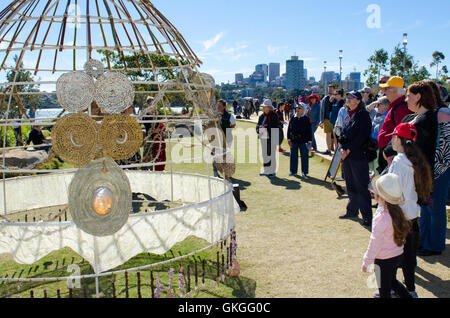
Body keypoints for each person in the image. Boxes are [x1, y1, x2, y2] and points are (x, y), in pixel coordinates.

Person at [387, 123, 433, 297]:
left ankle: (392, 287)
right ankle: (411, 289)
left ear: (399, 139)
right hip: (412, 214)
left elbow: (393, 189)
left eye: (394, 136)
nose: (391, 139)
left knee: (391, 254)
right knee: (409, 257)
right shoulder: (414, 159)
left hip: (399, 215)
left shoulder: (399, 160)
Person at [362, 173, 412, 299]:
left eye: (376, 192)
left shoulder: (381, 218)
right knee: (392, 282)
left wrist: (367, 261)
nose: (373, 192)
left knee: (384, 290)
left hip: (383, 260)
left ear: (382, 198)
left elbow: (375, 242)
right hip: (397, 255)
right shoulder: (398, 211)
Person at [417, 80, 449, 256]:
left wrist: (437, 169)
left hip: (440, 169)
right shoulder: (429, 114)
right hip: (428, 169)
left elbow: (445, 145)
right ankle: (425, 240)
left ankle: (434, 245)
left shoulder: (442, 113)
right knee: (426, 206)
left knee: (435, 207)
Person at [338, 90, 373, 227]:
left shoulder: (363, 115)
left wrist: (348, 149)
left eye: (351, 98)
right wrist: (341, 148)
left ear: (358, 100)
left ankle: (367, 216)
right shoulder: (348, 115)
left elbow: (362, 136)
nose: (348, 100)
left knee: (361, 186)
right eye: (347, 97)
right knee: (351, 184)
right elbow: (342, 134)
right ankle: (352, 211)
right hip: (347, 156)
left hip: (358, 156)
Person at [377, 76, 411, 173]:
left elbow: (402, 134)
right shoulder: (396, 106)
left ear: (395, 91)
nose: (385, 91)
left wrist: (390, 151)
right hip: (388, 153)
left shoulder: (401, 108)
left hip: (391, 154)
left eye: (387, 88)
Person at [256, 99, 280, 178]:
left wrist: (265, 127)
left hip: (272, 138)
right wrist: (259, 128)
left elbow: (275, 127)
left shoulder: (274, 115)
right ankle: (266, 170)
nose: (263, 108)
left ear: (269, 107)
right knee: (265, 154)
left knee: (271, 155)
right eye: (263, 107)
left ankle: (272, 171)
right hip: (263, 137)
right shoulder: (261, 116)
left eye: (264, 107)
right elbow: (257, 126)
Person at [287, 103, 312, 177]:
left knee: (304, 156)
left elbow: (309, 131)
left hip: (304, 141)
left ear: (303, 109)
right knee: (293, 156)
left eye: (299, 108)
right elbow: (289, 129)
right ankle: (293, 171)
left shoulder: (306, 118)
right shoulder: (292, 117)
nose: (297, 109)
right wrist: (288, 139)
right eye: (297, 108)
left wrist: (310, 142)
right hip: (294, 140)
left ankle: (304, 172)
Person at [320, 85, 336, 155]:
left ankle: (336, 151)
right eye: (329, 89)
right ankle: (328, 149)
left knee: (335, 135)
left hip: (335, 119)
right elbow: (322, 109)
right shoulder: (325, 98)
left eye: (331, 89)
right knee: (328, 134)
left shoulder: (336, 98)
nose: (329, 90)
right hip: (327, 119)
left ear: (334, 90)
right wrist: (322, 120)